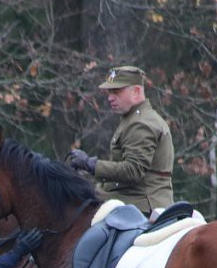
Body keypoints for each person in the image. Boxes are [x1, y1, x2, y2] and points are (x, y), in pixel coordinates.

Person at [68, 66, 174, 215]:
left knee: (89, 236)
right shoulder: (134, 118)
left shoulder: (141, 123)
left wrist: (90, 164)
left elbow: (133, 171)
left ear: (136, 92)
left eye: (116, 92)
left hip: (139, 205)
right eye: (110, 92)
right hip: (129, 199)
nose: (110, 97)